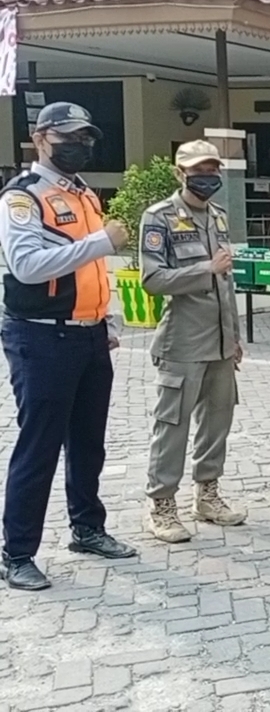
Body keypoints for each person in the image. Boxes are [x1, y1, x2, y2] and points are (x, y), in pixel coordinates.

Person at [0, 102, 136, 590]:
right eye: (69, 137)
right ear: (41, 139)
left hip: (88, 335)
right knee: (40, 446)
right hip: (41, 335)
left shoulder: (83, 195)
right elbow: (29, 265)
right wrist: (104, 242)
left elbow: (87, 270)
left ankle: (88, 528)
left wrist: (104, 317)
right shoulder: (23, 197)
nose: (80, 144)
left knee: (88, 443)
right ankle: (16, 553)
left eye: (86, 137)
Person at [139, 139, 246, 543]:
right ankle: (162, 505)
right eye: (199, 170)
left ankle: (208, 495)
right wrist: (205, 267)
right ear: (180, 173)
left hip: (219, 341)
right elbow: (152, 279)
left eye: (213, 169)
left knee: (217, 421)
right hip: (182, 342)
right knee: (173, 426)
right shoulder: (160, 217)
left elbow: (226, 283)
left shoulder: (217, 217)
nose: (208, 177)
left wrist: (233, 336)